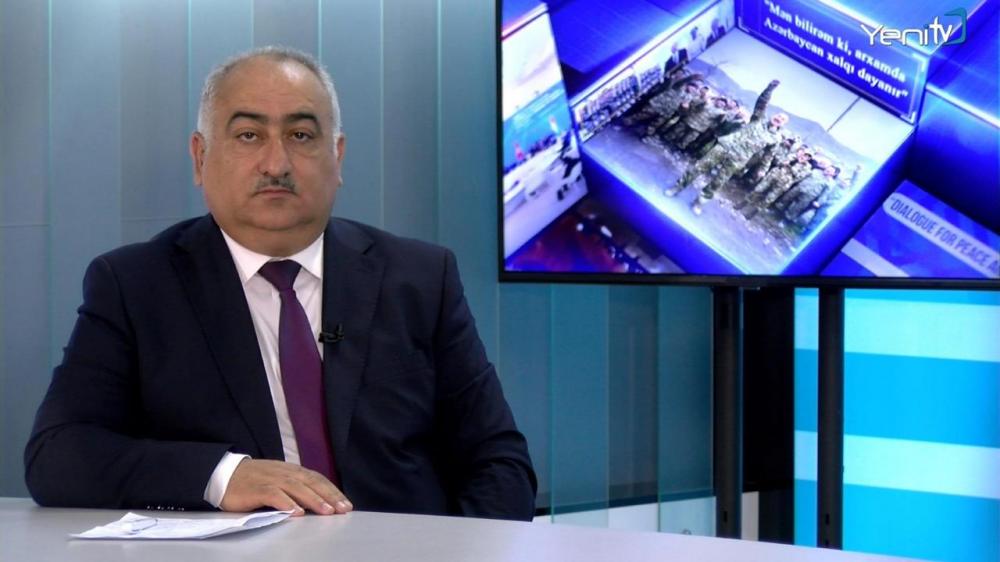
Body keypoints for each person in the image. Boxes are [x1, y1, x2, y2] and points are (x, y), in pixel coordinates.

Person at [24, 46, 537, 521]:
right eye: (249, 135)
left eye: (301, 136)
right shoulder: (136, 285)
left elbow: (499, 461)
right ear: (200, 157)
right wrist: (221, 476)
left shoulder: (419, 278)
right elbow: (58, 454)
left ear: (338, 156)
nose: (276, 164)